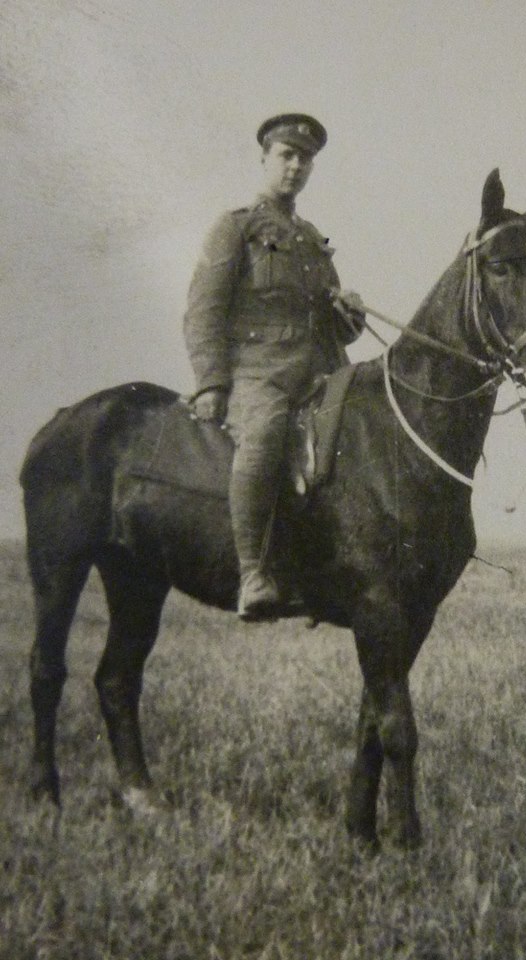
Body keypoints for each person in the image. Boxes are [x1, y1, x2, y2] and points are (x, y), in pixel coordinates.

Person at [183, 113, 364, 619]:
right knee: (263, 436)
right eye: (287, 155)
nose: (296, 166)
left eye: (305, 159)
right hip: (259, 372)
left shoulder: (311, 239)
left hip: (324, 371)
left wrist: (349, 316)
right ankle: (253, 574)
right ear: (265, 158)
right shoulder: (235, 228)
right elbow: (203, 310)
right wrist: (212, 383)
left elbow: (333, 328)